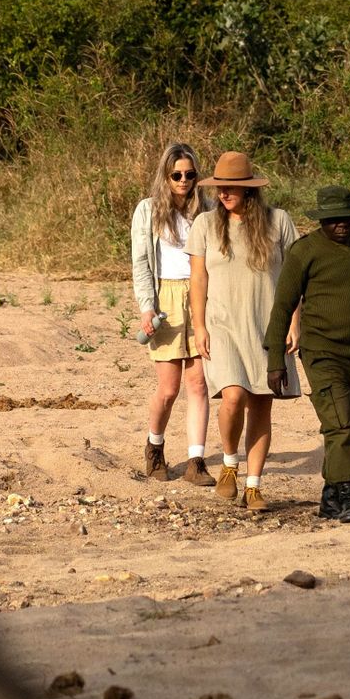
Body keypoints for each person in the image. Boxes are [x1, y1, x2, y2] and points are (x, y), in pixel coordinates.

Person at [187, 149, 299, 512]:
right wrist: (199, 326)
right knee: (233, 396)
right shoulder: (205, 224)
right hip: (222, 325)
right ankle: (229, 464)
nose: (224, 192)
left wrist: (295, 321)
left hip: (268, 325)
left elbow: (296, 277)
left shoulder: (277, 221)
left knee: (262, 403)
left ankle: (254, 485)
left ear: (250, 189)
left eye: (232, 186)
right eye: (220, 186)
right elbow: (198, 279)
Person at [269, 183, 350, 523]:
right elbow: (282, 307)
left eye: (346, 218)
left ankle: (330, 496)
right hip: (321, 352)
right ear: (321, 220)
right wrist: (276, 361)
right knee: (340, 422)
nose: (341, 224)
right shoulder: (305, 252)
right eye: (333, 220)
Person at [126, 140, 214, 483]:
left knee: (199, 384)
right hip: (166, 297)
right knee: (168, 388)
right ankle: (155, 446)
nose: (183, 180)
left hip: (199, 294)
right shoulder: (147, 210)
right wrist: (147, 308)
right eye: (176, 174)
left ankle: (196, 461)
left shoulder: (205, 210)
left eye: (190, 174)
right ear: (165, 175)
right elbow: (140, 264)